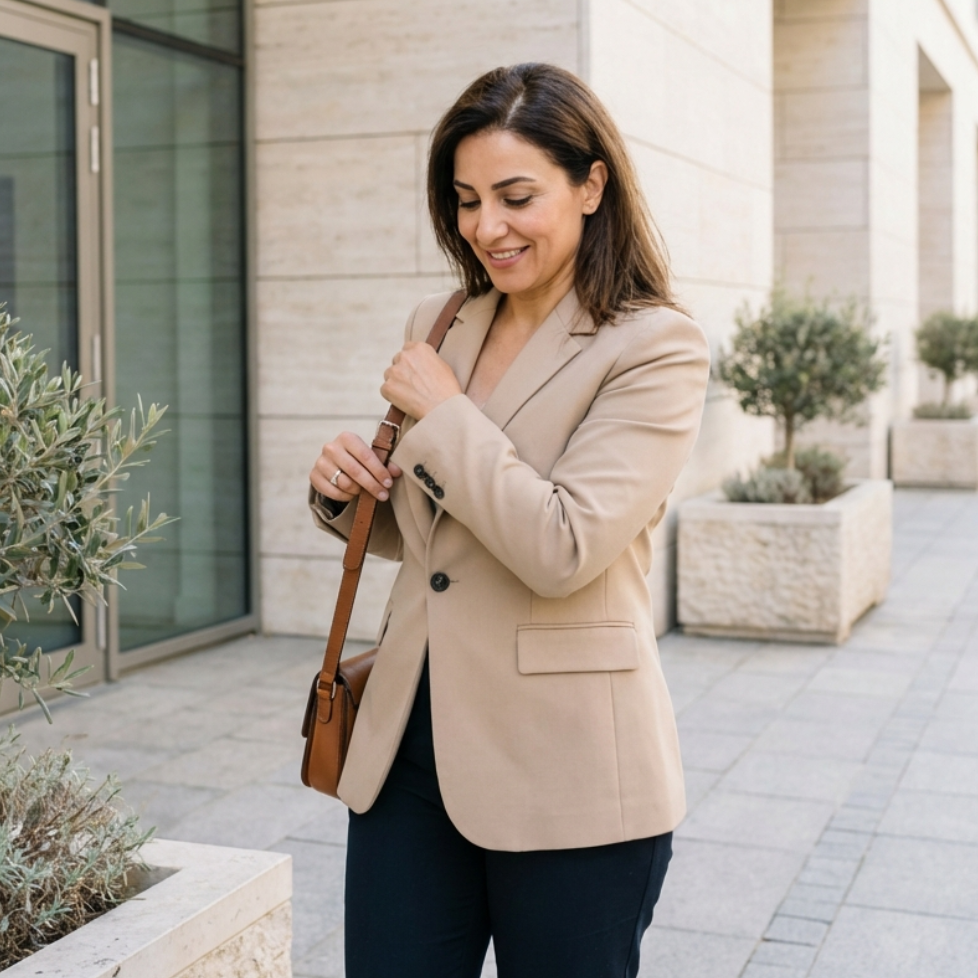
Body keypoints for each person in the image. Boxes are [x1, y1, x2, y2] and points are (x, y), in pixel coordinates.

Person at [308, 62, 710, 978]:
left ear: (591, 183)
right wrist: (346, 491)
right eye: (465, 199)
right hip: (408, 742)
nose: (486, 227)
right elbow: (434, 535)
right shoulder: (443, 318)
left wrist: (445, 417)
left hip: (567, 766)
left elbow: (563, 546)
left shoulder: (653, 345)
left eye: (515, 196)